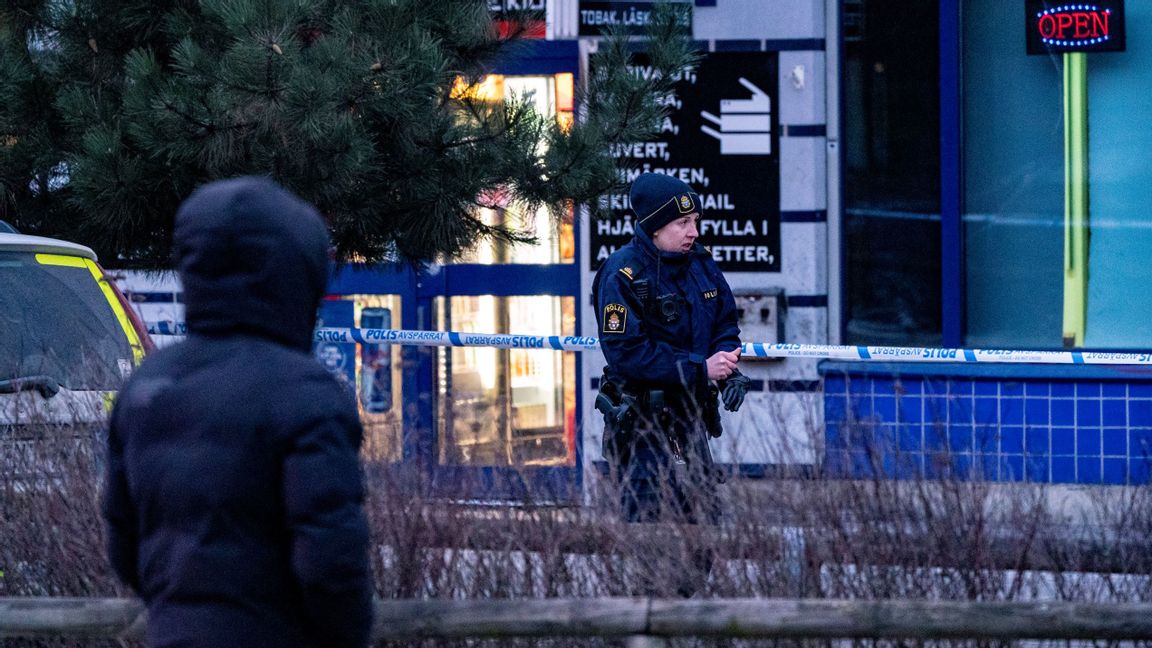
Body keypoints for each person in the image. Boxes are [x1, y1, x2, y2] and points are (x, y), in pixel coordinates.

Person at [102, 177, 374, 648]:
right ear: (297, 273)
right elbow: (331, 560)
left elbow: (123, 544)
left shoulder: (147, 386)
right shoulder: (306, 393)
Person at [594, 172, 751, 575]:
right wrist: (701, 369)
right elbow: (629, 353)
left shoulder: (700, 264)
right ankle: (647, 628)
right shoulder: (622, 275)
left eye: (695, 221)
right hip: (643, 429)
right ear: (654, 226)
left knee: (705, 535)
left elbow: (725, 322)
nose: (692, 232)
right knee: (653, 539)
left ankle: (687, 622)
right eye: (683, 223)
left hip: (690, 423)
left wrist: (726, 363)